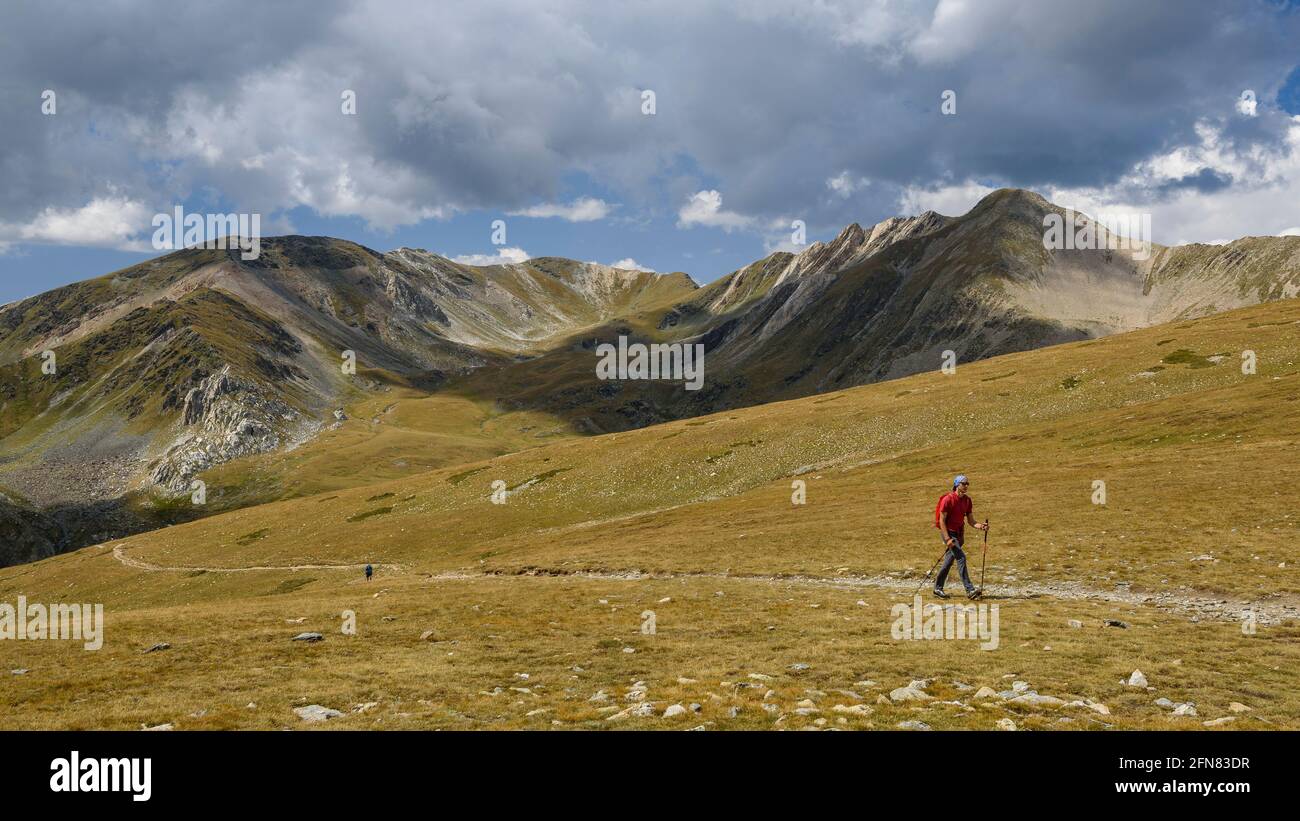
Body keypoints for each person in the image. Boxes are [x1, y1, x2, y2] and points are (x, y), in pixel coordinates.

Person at [933, 474, 988, 599]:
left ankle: (937, 588)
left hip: (959, 535)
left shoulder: (967, 501)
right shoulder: (948, 499)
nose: (966, 486)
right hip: (949, 533)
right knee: (961, 558)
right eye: (964, 483)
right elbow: (942, 521)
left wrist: (981, 526)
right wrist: (947, 539)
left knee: (948, 561)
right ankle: (970, 590)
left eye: (968, 483)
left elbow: (971, 521)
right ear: (957, 485)